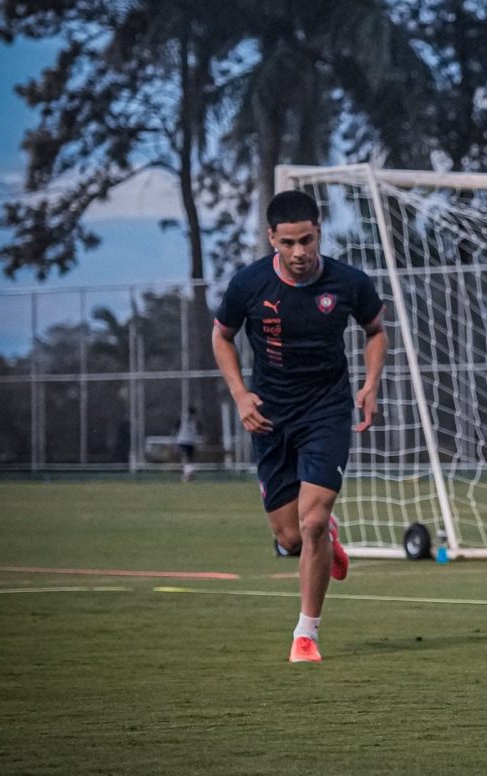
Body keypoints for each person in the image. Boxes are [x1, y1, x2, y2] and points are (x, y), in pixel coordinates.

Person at [212, 190, 387, 663]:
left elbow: (375, 330)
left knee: (309, 522)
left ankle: (305, 634)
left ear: (318, 232)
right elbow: (221, 336)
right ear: (271, 238)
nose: (299, 252)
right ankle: (326, 538)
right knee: (289, 538)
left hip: (326, 410)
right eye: (287, 242)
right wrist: (240, 395)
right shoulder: (247, 285)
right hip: (268, 414)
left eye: (306, 240)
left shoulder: (349, 282)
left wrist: (370, 384)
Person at [175, 406, 200, 482]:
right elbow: (176, 428)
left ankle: (187, 476)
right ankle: (186, 476)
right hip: (183, 441)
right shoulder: (182, 419)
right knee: (186, 459)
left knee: (189, 460)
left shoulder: (194, 421)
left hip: (190, 442)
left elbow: (197, 431)